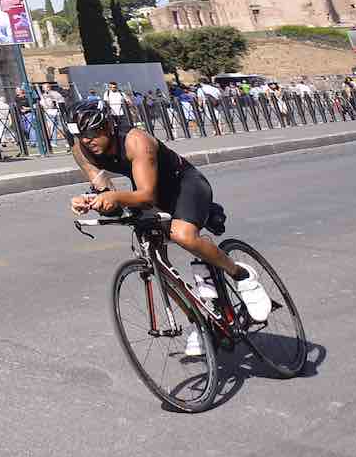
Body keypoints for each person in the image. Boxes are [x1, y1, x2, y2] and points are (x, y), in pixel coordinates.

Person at [64, 98, 273, 357]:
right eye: (81, 135)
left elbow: (147, 196)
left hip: (185, 186)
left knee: (182, 235)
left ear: (108, 126)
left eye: (93, 132)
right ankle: (201, 323)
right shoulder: (81, 151)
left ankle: (242, 276)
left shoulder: (136, 141)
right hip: (148, 193)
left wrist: (115, 197)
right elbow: (109, 198)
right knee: (153, 261)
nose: (87, 141)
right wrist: (94, 201)